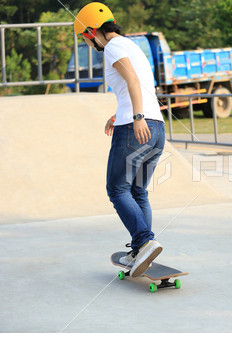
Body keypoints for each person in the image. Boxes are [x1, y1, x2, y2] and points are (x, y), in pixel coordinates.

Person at [74, 2, 164, 277]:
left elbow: (133, 82)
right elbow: (140, 87)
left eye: (85, 38)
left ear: (91, 31)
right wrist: (120, 114)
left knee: (117, 189)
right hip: (157, 128)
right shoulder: (131, 45)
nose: (88, 44)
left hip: (136, 128)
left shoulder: (112, 47)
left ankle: (144, 242)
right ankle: (141, 249)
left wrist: (135, 116)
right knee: (138, 192)